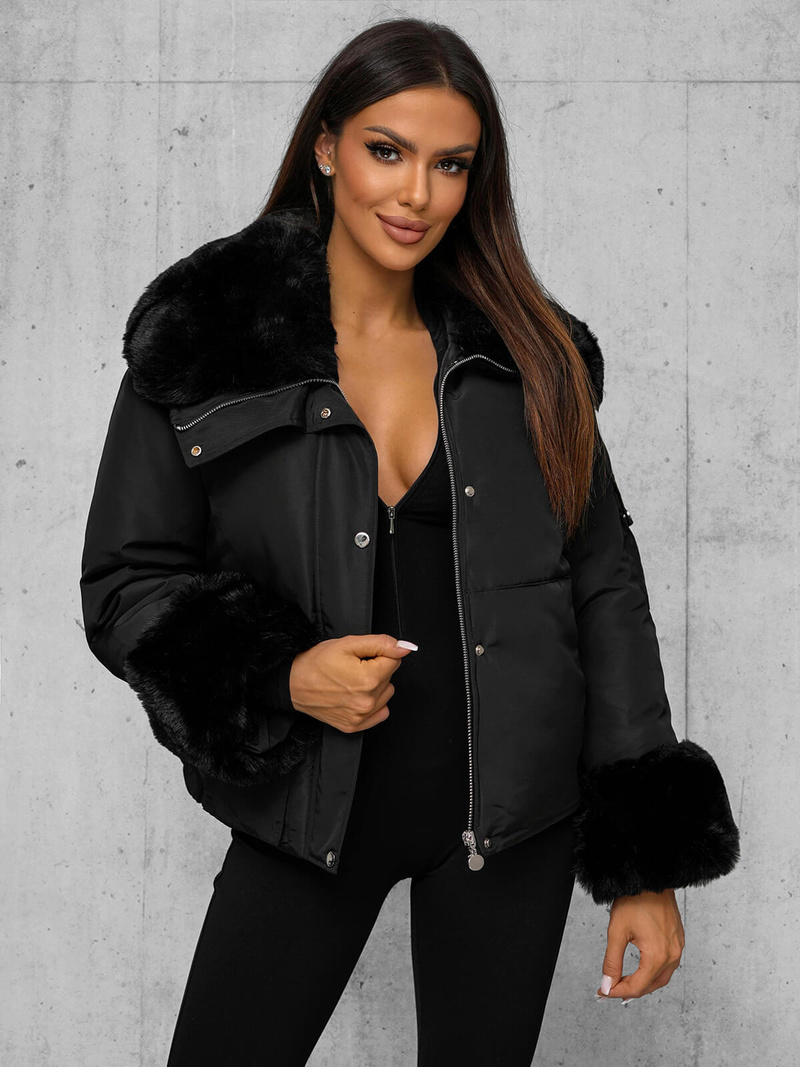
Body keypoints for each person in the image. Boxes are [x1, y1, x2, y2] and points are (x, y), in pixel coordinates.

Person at [79, 17, 740, 1066]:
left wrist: (646, 863)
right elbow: (127, 577)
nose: (416, 194)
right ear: (326, 146)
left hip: (510, 826)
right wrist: (278, 674)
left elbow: (603, 587)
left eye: (450, 164)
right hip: (309, 811)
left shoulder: (531, 357)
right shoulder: (205, 339)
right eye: (387, 150)